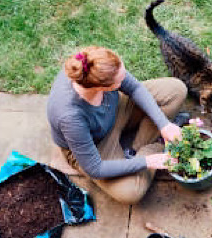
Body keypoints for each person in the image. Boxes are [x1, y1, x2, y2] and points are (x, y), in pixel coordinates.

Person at [47, 46, 187, 204]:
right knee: (132, 192)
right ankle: (153, 149)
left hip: (116, 109)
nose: (125, 79)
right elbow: (95, 169)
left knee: (176, 90)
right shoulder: (69, 117)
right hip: (96, 143)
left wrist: (164, 125)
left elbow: (134, 87)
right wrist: (148, 161)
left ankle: (134, 148)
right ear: (102, 88)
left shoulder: (93, 64)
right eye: (120, 81)